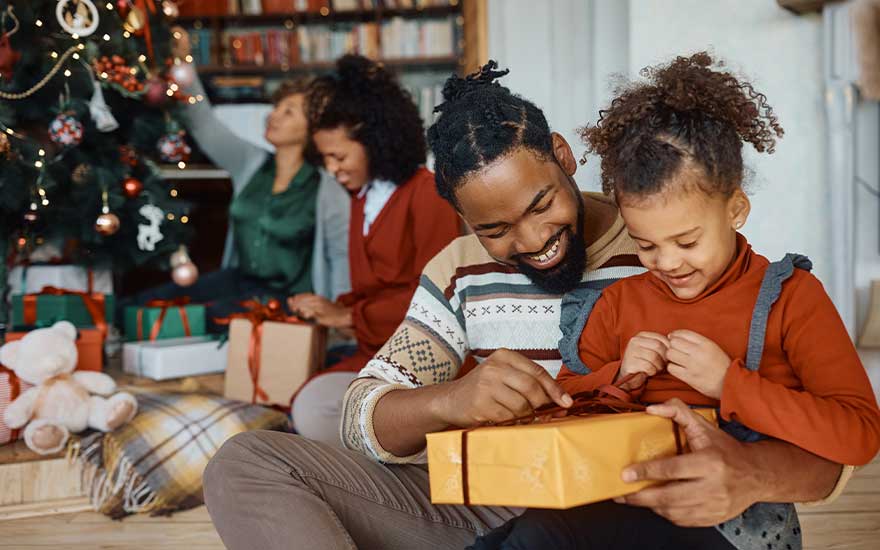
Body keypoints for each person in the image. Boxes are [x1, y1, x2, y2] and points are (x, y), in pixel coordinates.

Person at [201, 62, 852, 550]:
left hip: (632, 519)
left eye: (542, 204)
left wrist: (750, 472)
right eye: (496, 229)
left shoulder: (666, 246)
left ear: (563, 158)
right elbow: (361, 416)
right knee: (248, 462)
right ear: (460, 219)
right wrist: (449, 401)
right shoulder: (457, 272)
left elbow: (825, 442)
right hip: (484, 511)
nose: (534, 240)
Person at [469, 52, 880, 550]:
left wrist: (731, 383)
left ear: (736, 207)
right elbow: (561, 410)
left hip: (731, 526)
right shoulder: (619, 303)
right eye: (645, 245)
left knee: (541, 538)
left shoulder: (789, 298)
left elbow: (859, 434)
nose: (666, 263)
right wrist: (618, 377)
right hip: (616, 502)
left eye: (687, 242)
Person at [118, 30, 351, 332]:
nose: (274, 116)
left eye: (288, 112)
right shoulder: (250, 162)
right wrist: (181, 59)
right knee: (143, 304)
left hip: (287, 301)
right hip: (237, 280)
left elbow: (341, 262)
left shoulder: (326, 191)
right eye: (276, 107)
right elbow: (202, 123)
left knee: (188, 320)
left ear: (312, 129)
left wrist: (337, 321)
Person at [287, 55, 460, 445]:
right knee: (301, 399)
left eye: (340, 156)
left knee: (315, 412)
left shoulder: (428, 193)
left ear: (376, 143)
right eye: (326, 158)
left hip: (422, 357)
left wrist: (347, 315)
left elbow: (437, 300)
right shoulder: (363, 198)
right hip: (374, 348)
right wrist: (327, 309)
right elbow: (372, 287)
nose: (332, 169)